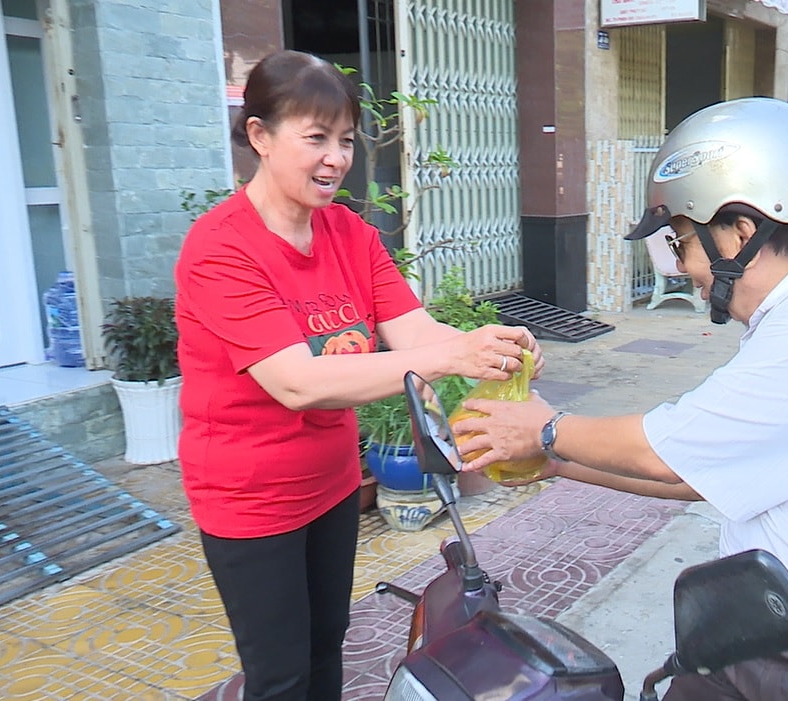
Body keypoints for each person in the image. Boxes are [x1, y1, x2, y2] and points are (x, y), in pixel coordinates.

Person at [453, 98, 788, 701]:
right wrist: (561, 463)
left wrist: (546, 430)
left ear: (741, 233)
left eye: (681, 245)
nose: (680, 270)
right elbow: (700, 473)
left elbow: (666, 453)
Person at [173, 50, 543, 701]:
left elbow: (416, 332)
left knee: (326, 648)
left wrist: (484, 346)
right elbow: (296, 381)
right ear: (259, 135)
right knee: (280, 674)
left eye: (344, 140)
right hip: (250, 498)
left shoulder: (349, 232)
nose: (336, 158)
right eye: (315, 138)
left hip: (332, 481)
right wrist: (448, 357)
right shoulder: (220, 248)